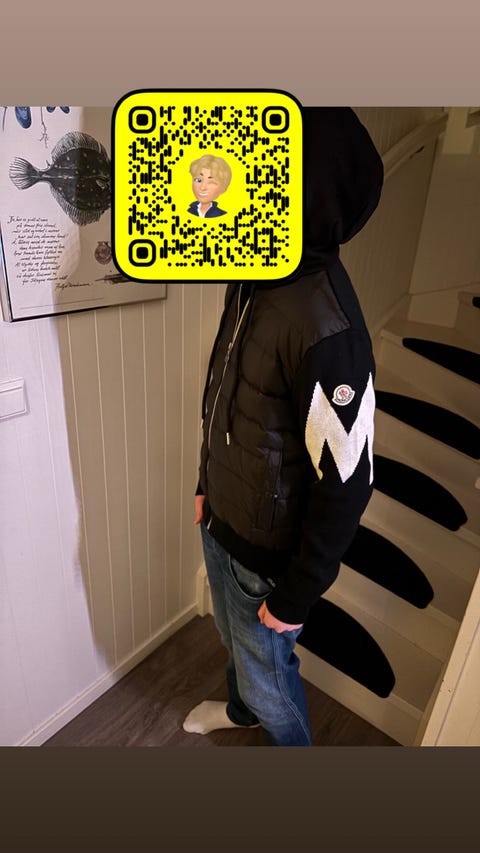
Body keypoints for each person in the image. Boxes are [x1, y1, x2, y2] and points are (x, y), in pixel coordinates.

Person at [183, 108, 384, 746]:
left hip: (267, 557)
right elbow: (225, 391)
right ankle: (241, 711)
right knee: (236, 646)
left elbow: (348, 480)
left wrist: (297, 595)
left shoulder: (328, 326)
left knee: (270, 679)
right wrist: (205, 483)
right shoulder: (248, 275)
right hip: (223, 518)